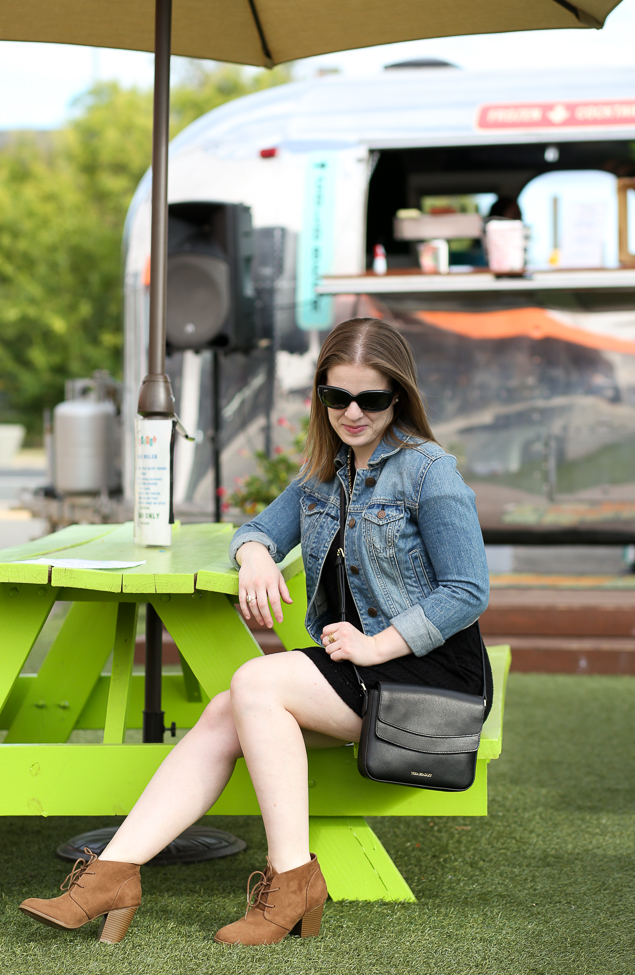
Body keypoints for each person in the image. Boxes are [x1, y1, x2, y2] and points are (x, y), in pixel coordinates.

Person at [19, 317, 492, 947]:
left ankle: (292, 879)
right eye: (335, 396)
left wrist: (377, 644)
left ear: (398, 397)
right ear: (319, 395)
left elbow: (467, 591)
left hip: (428, 677)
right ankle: (112, 874)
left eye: (370, 399)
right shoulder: (326, 476)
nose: (351, 412)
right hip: (360, 667)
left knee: (257, 683)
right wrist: (258, 556)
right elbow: (257, 529)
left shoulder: (430, 473)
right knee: (225, 710)